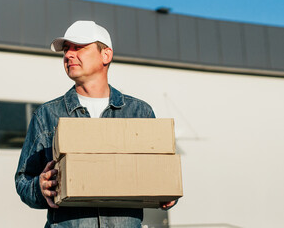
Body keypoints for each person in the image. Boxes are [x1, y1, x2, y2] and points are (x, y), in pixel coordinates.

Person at [15, 20, 177, 228]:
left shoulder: (140, 112)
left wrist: (169, 193)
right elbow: (23, 181)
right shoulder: (46, 115)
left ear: (106, 55)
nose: (68, 55)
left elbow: (162, 171)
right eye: (66, 50)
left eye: (78, 47)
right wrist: (39, 187)